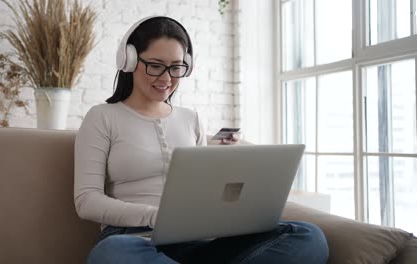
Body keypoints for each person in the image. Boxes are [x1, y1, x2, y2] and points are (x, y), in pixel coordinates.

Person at [74, 16, 329, 264]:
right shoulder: (102, 117)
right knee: (111, 254)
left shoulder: (191, 119)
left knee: (308, 237)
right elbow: (87, 200)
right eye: (155, 65)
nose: (166, 78)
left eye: (176, 67)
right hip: (132, 239)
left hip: (199, 242)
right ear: (129, 61)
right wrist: (157, 217)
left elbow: (205, 193)